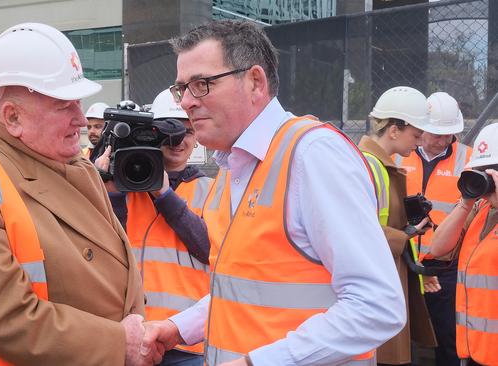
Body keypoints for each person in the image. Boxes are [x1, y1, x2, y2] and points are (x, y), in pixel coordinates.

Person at [142, 19, 406, 366]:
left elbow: (377, 306)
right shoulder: (232, 165)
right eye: (182, 89)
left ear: (255, 81)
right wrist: (179, 327)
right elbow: (242, 290)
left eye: (202, 84)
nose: (186, 102)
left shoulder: (312, 155)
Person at [0, 23, 160, 366]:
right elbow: (7, 320)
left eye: (78, 103)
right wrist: (119, 343)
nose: (81, 120)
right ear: (13, 117)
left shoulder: (78, 168)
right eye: (63, 106)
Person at [95, 88, 212, 366]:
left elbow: (209, 249)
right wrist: (110, 189)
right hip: (133, 336)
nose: (177, 140)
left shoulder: (211, 188)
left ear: (196, 139)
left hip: (187, 342)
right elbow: (107, 246)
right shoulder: (124, 188)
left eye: (187, 131)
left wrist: (164, 194)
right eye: (167, 132)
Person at [358, 86, 438, 365]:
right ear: (394, 130)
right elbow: (357, 230)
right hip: (375, 285)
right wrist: (405, 235)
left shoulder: (378, 166)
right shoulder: (367, 166)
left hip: (384, 279)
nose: (418, 142)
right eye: (416, 135)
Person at [394, 91, 470, 366]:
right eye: (437, 134)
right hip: (405, 263)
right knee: (401, 341)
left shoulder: (467, 161)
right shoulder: (400, 156)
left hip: (445, 270)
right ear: (420, 128)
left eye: (449, 135)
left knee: (448, 341)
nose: (444, 141)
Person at [428, 122, 498, 366]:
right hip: (474, 350)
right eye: (481, 170)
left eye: (492, 171)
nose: (486, 178)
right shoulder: (480, 210)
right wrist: (466, 202)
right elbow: (437, 248)